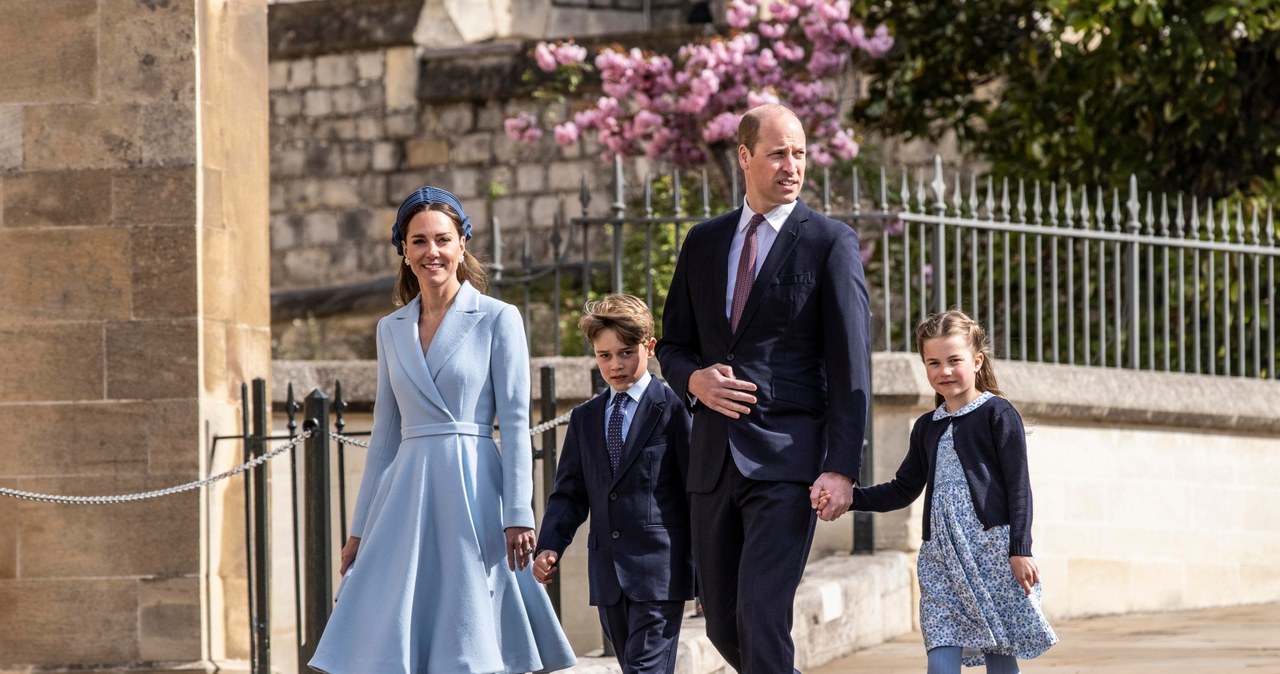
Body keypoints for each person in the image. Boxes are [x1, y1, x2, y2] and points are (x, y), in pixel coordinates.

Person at [309, 186, 576, 674]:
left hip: (474, 491)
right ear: (404, 251)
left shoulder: (499, 319)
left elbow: (516, 423)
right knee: (395, 629)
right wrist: (358, 529)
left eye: (443, 239)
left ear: (461, 245)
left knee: (470, 629)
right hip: (406, 497)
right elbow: (385, 438)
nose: (432, 251)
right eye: (419, 241)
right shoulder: (390, 329)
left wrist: (519, 512)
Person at [655, 103, 872, 673]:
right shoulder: (703, 242)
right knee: (724, 621)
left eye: (799, 153)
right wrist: (694, 380)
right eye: (778, 153)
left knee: (761, 609)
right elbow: (672, 346)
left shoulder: (829, 242)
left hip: (787, 460)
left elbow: (852, 369)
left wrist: (841, 467)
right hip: (711, 464)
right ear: (745, 156)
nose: (791, 165)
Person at [853, 310, 1057, 674]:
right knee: (941, 652)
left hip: (990, 552)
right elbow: (903, 489)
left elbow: (1019, 488)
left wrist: (1020, 550)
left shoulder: (998, 413)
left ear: (977, 361)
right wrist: (850, 498)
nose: (944, 371)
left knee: (1000, 651)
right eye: (933, 362)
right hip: (940, 558)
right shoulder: (926, 427)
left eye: (954, 361)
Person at [532, 294, 694, 674]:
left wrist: (707, 567)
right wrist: (550, 545)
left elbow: (695, 493)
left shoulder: (674, 409)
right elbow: (569, 493)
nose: (616, 365)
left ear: (650, 347)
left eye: (625, 353)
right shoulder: (586, 418)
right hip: (607, 575)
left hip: (660, 574)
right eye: (604, 356)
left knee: (644, 670)